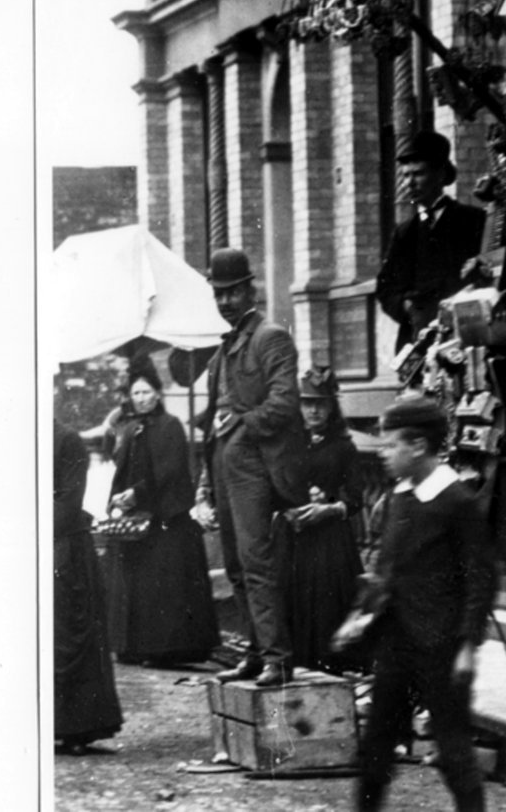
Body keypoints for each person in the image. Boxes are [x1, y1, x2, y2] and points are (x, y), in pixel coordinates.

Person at [355, 396, 496, 812]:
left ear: (417, 446)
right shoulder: (401, 496)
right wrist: (366, 609)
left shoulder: (456, 501)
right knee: (376, 749)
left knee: (454, 752)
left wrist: (468, 647)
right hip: (397, 643)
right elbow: (388, 567)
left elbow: (481, 579)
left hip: (441, 647)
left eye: (391, 445)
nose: (383, 454)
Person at [198, 248, 308, 687]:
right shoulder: (223, 348)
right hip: (225, 462)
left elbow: (284, 402)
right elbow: (213, 414)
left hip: (254, 464)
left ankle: (279, 659)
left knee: (256, 560)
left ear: (250, 289)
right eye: (218, 294)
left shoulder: (271, 337)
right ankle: (257, 652)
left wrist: (242, 423)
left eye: (232, 292)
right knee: (237, 566)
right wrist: (206, 478)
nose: (225, 302)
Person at [104, 365, 219, 666]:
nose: (141, 398)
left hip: (166, 516)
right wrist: (117, 498)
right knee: (135, 584)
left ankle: (166, 650)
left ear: (157, 393)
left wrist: (138, 493)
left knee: (164, 585)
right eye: (136, 393)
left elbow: (170, 471)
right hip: (137, 518)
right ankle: (134, 647)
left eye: (146, 392)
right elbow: (121, 470)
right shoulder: (129, 428)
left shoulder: (170, 426)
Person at [279, 365, 364, 673]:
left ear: (332, 407)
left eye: (321, 403)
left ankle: (329, 666)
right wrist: (288, 505)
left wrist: (327, 507)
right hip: (293, 534)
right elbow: (273, 483)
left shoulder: (343, 447)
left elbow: (356, 499)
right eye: (307, 403)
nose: (314, 410)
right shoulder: (288, 443)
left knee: (326, 604)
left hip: (329, 540)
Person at [375, 130, 486, 352]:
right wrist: (406, 307)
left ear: (440, 174)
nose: (409, 183)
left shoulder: (474, 220)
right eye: (405, 175)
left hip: (468, 337)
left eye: (418, 174)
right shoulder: (404, 233)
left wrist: (483, 266)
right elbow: (386, 288)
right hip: (418, 343)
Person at [53, 419, 123, 754]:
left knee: (68, 633)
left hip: (64, 548)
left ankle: (76, 727)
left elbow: (67, 503)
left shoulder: (66, 440)